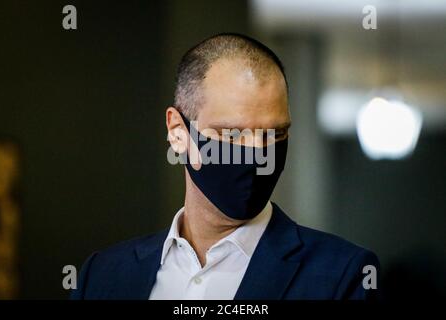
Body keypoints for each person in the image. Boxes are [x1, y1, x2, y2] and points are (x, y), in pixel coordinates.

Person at [71, 33, 380, 300]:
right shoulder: (103, 276)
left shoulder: (340, 276)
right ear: (178, 132)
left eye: (276, 134)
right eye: (233, 134)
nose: (260, 154)